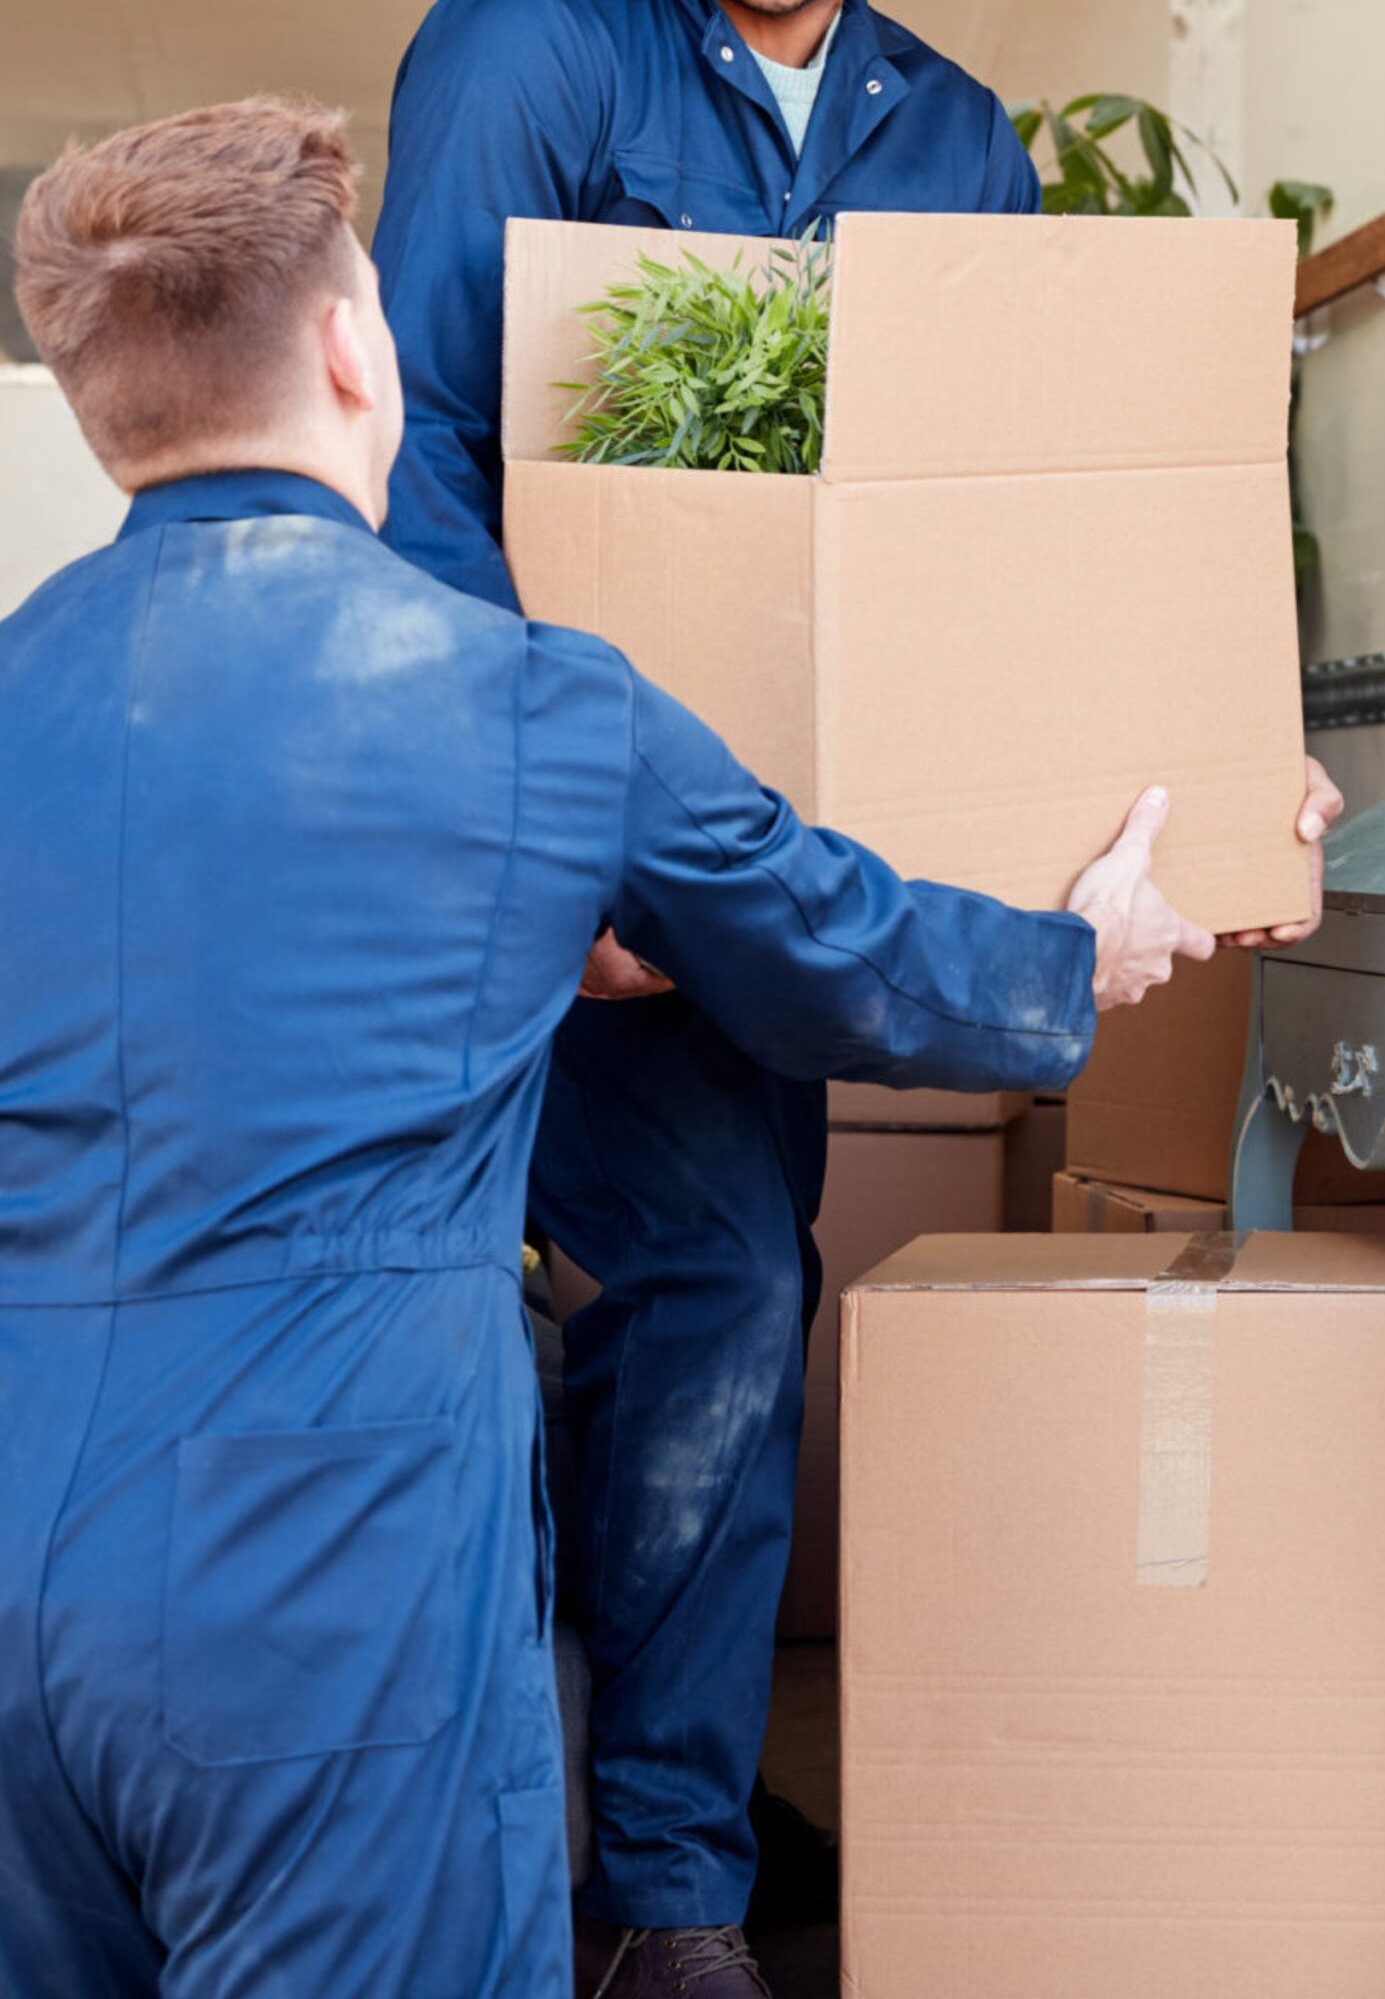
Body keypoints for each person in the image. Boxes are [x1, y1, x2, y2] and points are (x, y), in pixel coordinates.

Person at [370, 0, 1341, 1993]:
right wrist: (552, 845)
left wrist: (1204, 743)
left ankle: (673, 1902)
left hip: (755, 878)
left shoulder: (959, 144)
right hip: (505, 855)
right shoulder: (521, 54)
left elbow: (989, 537)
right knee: (424, 1329)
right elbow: (407, 465)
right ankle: (475, 1872)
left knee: (713, 1300)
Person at [0, 98, 1211, 1999]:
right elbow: (841, 957)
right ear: (352, 348)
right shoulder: (527, 703)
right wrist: (1082, 950)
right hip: (331, 1575)